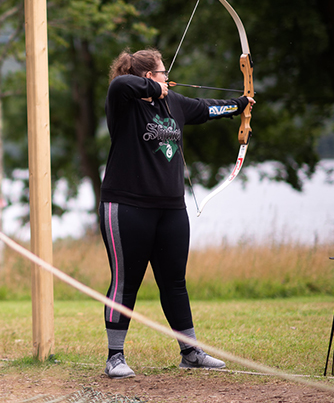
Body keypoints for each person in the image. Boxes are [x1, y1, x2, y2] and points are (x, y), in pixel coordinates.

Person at [99, 48, 254, 379]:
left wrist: (240, 105)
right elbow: (122, 84)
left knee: (174, 281)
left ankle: (190, 352)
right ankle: (115, 357)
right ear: (148, 77)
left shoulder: (174, 104)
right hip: (125, 206)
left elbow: (209, 109)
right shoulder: (123, 101)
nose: (167, 77)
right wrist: (154, 89)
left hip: (170, 209)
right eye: (162, 73)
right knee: (126, 282)